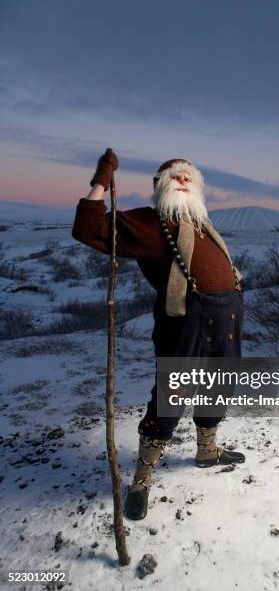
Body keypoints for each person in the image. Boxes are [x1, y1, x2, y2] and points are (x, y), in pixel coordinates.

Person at [72, 148, 246, 520]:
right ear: (159, 186)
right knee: (171, 397)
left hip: (227, 321)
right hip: (186, 324)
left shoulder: (201, 222)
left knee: (220, 387)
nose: (183, 180)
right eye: (175, 176)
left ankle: (207, 451)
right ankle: (142, 481)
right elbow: (88, 229)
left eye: (189, 176)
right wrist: (102, 179)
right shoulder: (151, 223)